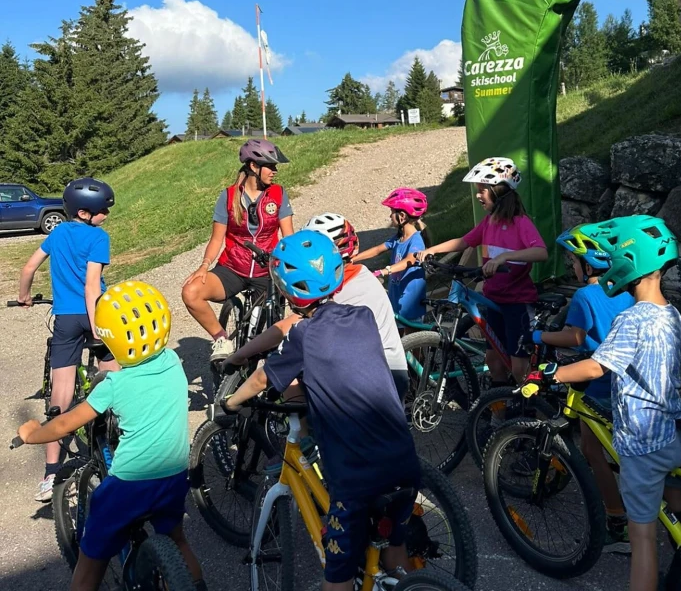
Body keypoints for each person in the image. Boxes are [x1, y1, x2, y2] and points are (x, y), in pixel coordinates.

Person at [224, 230, 421, 591]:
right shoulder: (362, 315)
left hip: (355, 478)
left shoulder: (304, 336)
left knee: (337, 577)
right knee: (395, 551)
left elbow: (262, 378)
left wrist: (231, 402)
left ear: (289, 293)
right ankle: (407, 581)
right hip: (404, 459)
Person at [525, 215, 681, 591]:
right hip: (676, 427)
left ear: (628, 265)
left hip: (642, 439)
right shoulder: (673, 313)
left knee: (643, 538)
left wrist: (552, 374)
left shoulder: (631, 319)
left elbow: (596, 366)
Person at [16, 279, 206, 591]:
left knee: (91, 558)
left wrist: (32, 434)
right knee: (178, 539)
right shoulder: (172, 361)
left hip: (130, 485)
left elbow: (65, 424)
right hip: (173, 475)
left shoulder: (115, 386)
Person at [222, 212, 408, 400]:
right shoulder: (362, 274)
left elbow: (284, 328)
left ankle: (300, 421)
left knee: (290, 376)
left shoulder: (332, 292)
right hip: (392, 371)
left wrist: (239, 355)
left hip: (375, 377)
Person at [17, 177, 119, 502]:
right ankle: (122, 442)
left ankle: (50, 475)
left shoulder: (58, 232)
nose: (106, 215)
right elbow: (91, 287)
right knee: (115, 376)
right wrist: (97, 328)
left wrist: (24, 297)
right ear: (85, 213)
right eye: (103, 210)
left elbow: (28, 268)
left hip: (65, 319)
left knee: (59, 395)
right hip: (95, 313)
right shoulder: (98, 237)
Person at [535, 224, 635, 553]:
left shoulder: (584, 295)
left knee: (593, 451)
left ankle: (616, 519)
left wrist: (539, 336)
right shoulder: (624, 291)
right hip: (625, 378)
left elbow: (574, 337)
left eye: (573, 261)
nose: (572, 267)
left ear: (588, 265)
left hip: (598, 381)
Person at [415, 157, 547, 383]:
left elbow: (540, 252)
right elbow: (464, 242)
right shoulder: (488, 222)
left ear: (499, 191)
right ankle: (499, 405)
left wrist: (506, 257)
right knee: (494, 363)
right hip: (493, 300)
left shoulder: (520, 222)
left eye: (482, 190)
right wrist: (431, 250)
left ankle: (529, 403)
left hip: (518, 303)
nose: (477, 196)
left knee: (519, 368)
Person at [182, 138, 294, 360]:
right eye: (270, 166)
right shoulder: (228, 196)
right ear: (253, 166)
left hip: (266, 271)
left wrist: (290, 267)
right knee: (191, 292)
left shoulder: (279, 194)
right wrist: (204, 266)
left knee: (269, 340)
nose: (275, 171)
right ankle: (222, 339)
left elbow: (288, 237)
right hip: (232, 268)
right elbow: (217, 239)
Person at [351, 188, 429, 323]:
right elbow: (377, 250)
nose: (390, 216)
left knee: (411, 334)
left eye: (392, 212)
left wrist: (384, 271)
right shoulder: (399, 238)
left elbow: (409, 260)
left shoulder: (416, 240)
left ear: (402, 216)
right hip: (397, 295)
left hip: (410, 300)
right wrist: (352, 259)